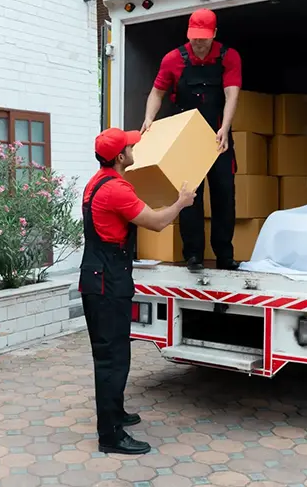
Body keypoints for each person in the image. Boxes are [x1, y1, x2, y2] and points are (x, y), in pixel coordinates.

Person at [80, 127, 195, 455]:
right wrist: (181, 203)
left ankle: (116, 414)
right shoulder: (115, 190)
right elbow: (157, 223)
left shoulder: (97, 182)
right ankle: (110, 436)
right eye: (130, 147)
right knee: (111, 359)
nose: (134, 149)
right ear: (120, 157)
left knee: (117, 354)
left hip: (101, 277)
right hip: (107, 283)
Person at [140, 8, 243, 271]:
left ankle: (224, 255)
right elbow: (156, 93)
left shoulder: (228, 57)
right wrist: (149, 119)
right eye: (194, 37)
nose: (198, 42)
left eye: (204, 38)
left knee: (224, 195)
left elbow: (232, 95)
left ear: (214, 34)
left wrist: (226, 128)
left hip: (217, 137)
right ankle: (193, 255)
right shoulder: (173, 59)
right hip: (185, 140)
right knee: (189, 197)